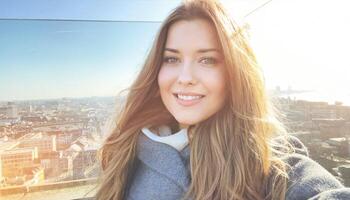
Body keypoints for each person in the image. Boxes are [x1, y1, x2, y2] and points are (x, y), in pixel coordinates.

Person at [95, 0, 350, 199]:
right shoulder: (125, 148)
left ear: (235, 74)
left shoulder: (269, 166)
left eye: (207, 60)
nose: (185, 77)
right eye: (171, 58)